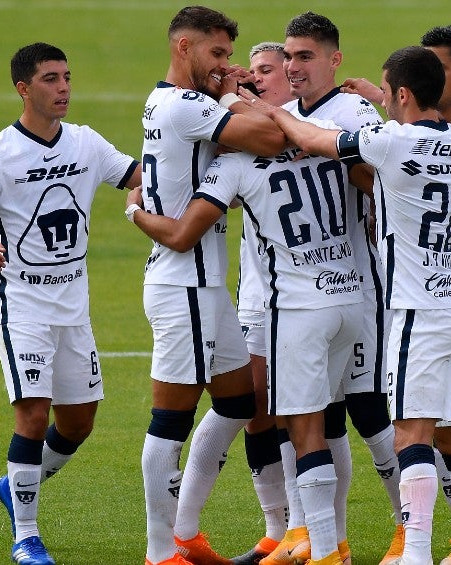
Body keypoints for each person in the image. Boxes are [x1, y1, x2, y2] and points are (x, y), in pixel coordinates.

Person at [245, 44, 451, 565]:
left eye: (387, 91)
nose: (382, 99)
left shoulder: (390, 143)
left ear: (403, 94)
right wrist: (372, 96)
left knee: (411, 435)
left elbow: (316, 138)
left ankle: (416, 554)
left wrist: (273, 111)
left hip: (416, 310)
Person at [125, 83, 367, 565]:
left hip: (298, 309)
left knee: (304, 430)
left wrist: (134, 210)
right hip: (351, 300)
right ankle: (314, 539)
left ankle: (323, 552)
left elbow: (179, 234)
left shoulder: (231, 167)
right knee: (307, 417)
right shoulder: (321, 140)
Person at [0, 42, 141, 565]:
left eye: (67, 77)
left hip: (74, 304)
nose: (63, 89)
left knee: (79, 423)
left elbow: (139, 177)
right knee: (32, 415)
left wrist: (140, 195)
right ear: (23, 88)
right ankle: (26, 537)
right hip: (24, 303)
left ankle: (16, 485)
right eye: (51, 79)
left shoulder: (86, 143)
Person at [343, 26, 451, 563]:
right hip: (445, 289)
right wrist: (382, 101)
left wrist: (421, 202)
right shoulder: (445, 137)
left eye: (439, 65)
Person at [133, 7, 287, 565]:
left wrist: (223, 89)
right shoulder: (187, 105)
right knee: (170, 420)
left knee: (241, 400)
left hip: (204, 286)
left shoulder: (161, 100)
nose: (228, 64)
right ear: (183, 47)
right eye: (217, 54)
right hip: (185, 286)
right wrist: (234, 97)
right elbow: (270, 136)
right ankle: (161, 552)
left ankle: (196, 533)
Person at [268, 12, 403, 565]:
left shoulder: (353, 112)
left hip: (357, 287)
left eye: (306, 56)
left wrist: (331, 151)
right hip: (315, 293)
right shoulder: (288, 115)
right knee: (322, 418)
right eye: (290, 56)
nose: (294, 66)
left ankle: (404, 530)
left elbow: (381, 176)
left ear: (334, 60)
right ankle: (330, 543)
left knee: (370, 412)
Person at [230, 41, 294, 565]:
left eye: (266, 71)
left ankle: (307, 529)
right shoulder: (248, 133)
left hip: (319, 296)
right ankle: (278, 529)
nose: (257, 78)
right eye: (251, 72)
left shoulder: (302, 128)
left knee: (326, 415)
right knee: (256, 410)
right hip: (257, 294)